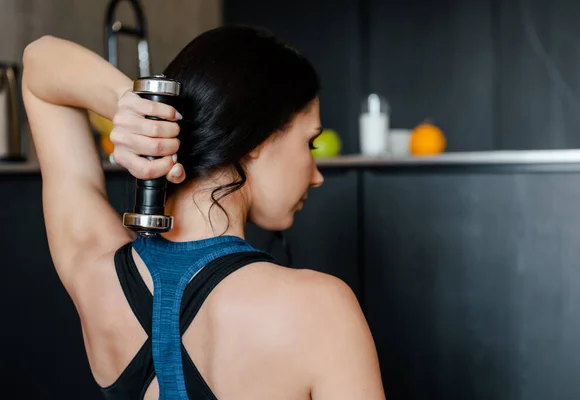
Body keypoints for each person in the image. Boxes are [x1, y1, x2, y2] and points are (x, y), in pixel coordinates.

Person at [22, 26, 385, 399]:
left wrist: (127, 101)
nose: (317, 175)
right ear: (258, 140)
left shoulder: (95, 273)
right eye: (310, 142)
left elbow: (38, 64)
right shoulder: (321, 309)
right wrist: (145, 109)